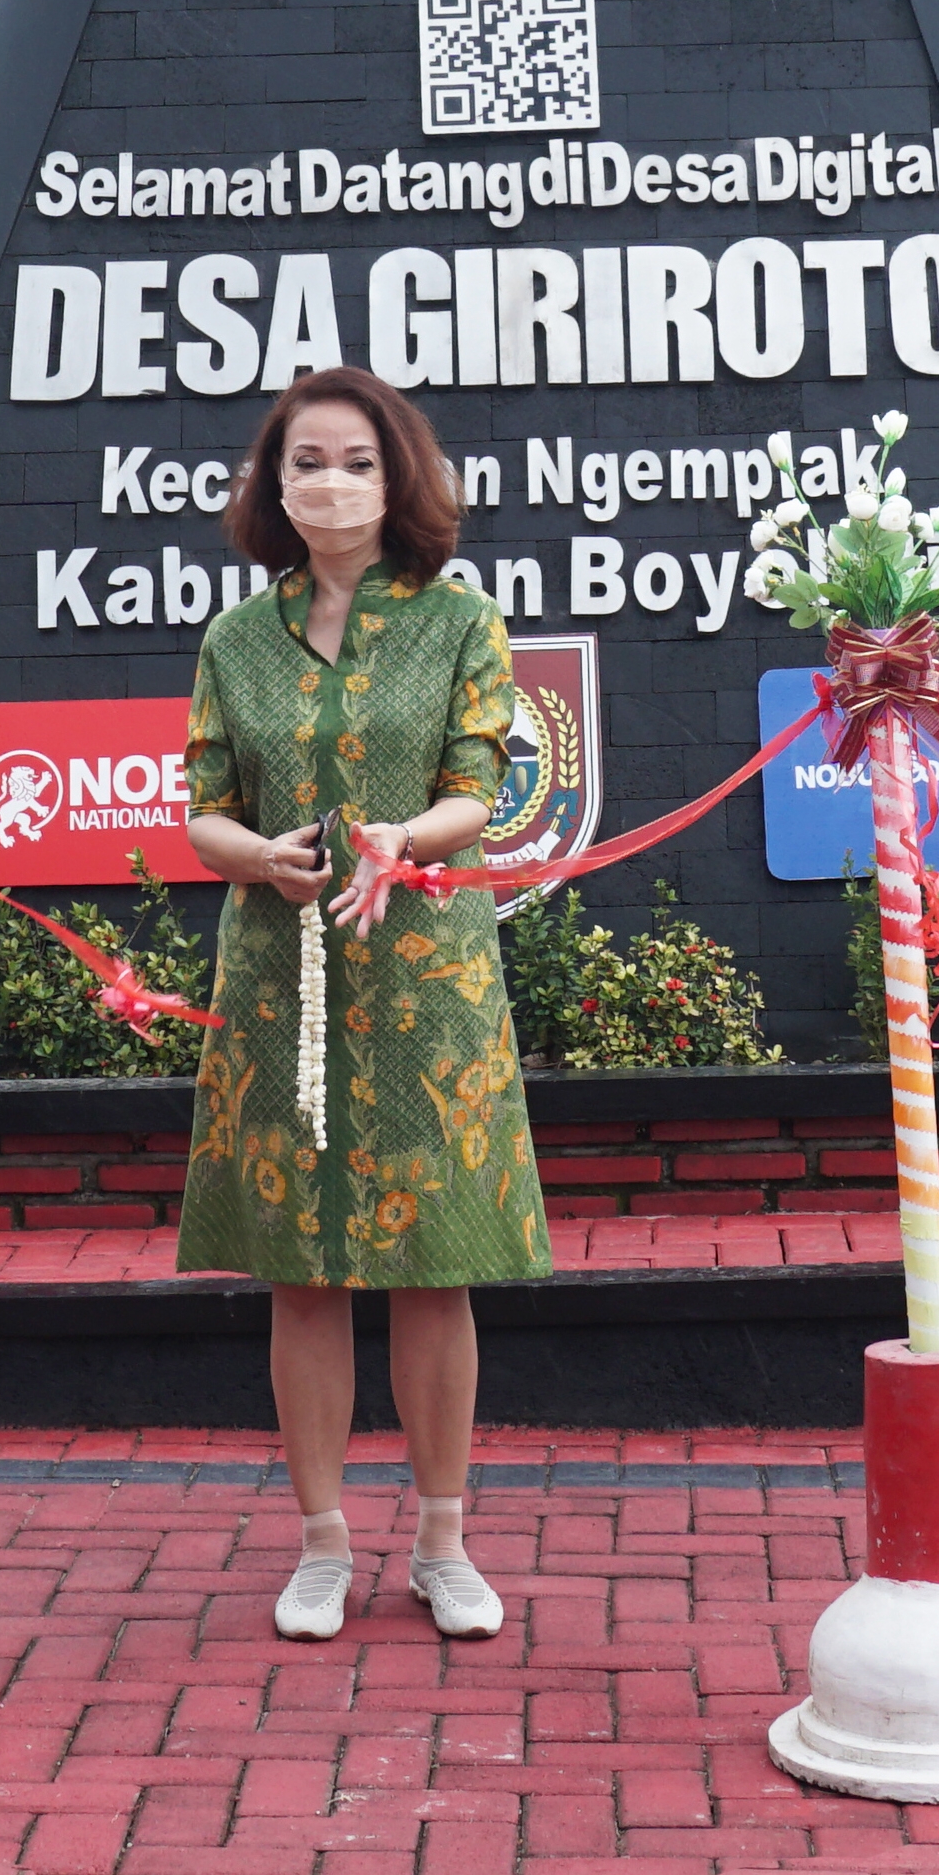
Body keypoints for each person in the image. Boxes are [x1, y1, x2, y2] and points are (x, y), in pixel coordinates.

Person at [173, 365, 550, 1641]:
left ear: (400, 482)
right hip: (283, 977)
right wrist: (253, 854)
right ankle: (322, 1542)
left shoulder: (459, 620)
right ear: (271, 485)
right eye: (301, 461)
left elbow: (477, 786)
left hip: (427, 969)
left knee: (437, 1265)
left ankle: (444, 1540)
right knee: (303, 1271)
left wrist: (404, 836)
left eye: (352, 461)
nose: (325, 482)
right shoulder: (236, 637)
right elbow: (201, 807)